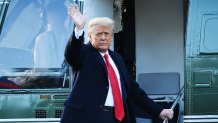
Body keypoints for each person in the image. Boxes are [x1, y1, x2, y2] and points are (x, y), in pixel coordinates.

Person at [60, 3, 174, 123]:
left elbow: (134, 90)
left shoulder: (117, 58)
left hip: (117, 118)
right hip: (89, 117)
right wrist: (79, 29)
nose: (103, 37)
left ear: (111, 36)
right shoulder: (84, 52)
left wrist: (159, 111)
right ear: (90, 35)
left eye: (107, 34)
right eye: (98, 34)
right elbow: (71, 54)